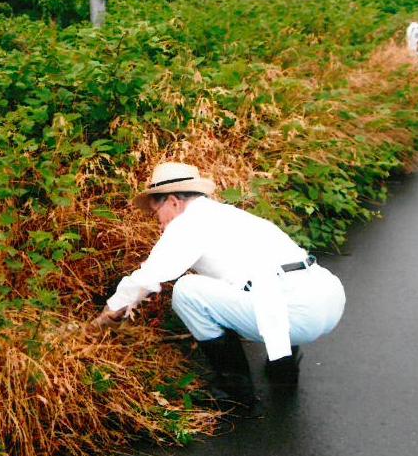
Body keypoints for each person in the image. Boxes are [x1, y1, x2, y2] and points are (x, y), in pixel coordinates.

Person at [93, 162, 346, 411]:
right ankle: (283, 369)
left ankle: (235, 392)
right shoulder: (230, 215)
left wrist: (107, 315)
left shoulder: (187, 223)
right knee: (253, 287)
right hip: (327, 298)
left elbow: (146, 278)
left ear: (173, 201)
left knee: (187, 292)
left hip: (298, 314)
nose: (158, 223)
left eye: (155, 213)